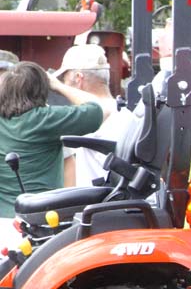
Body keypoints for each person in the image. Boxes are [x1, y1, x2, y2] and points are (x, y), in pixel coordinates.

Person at [0, 61, 106, 218]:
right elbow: (97, 110)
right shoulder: (45, 119)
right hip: (41, 216)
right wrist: (58, 86)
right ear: (41, 91)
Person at [54, 44, 136, 187]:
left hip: (94, 204)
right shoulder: (126, 114)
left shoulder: (90, 118)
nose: (64, 84)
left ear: (79, 79)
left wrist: (57, 87)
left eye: (65, 80)